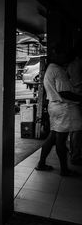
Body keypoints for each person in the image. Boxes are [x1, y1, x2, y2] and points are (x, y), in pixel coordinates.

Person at [35, 44, 82, 176]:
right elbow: (65, 92)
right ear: (57, 55)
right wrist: (80, 98)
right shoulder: (58, 70)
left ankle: (41, 163)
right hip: (62, 108)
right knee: (60, 141)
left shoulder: (51, 68)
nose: (66, 57)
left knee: (52, 138)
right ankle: (64, 170)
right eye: (64, 54)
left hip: (54, 107)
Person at [67, 40, 82, 165]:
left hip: (74, 99)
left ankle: (74, 153)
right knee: (77, 129)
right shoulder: (78, 64)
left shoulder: (71, 64)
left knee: (75, 129)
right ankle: (75, 155)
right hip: (78, 98)